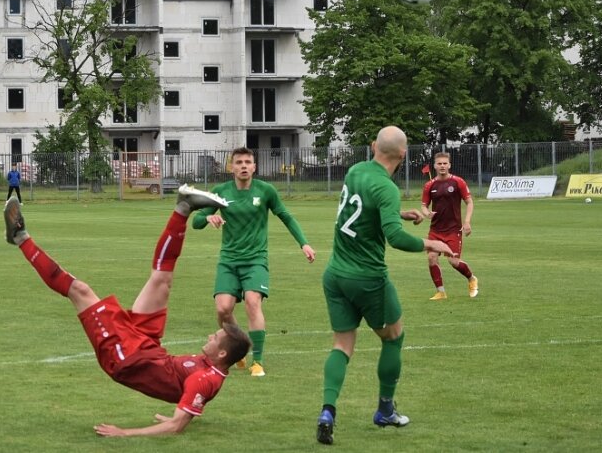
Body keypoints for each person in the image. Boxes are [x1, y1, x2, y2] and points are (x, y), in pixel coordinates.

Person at [3, 185, 251, 437]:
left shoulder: (206, 378)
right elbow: (196, 398)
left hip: (125, 358)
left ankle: (20, 238)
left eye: (216, 338)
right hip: (148, 348)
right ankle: (183, 207)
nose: (210, 336)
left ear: (222, 352)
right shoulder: (212, 370)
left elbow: (176, 426)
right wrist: (187, 407)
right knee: (161, 280)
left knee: (80, 290)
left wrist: (125, 433)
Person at [315, 126, 453, 446]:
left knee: (342, 345)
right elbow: (396, 238)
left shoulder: (355, 171)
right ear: (403, 154)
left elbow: (362, 210)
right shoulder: (386, 188)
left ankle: (327, 412)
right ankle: (385, 410)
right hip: (367, 278)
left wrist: (397, 213)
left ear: (373, 145)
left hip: (335, 274)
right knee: (393, 337)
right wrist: (431, 243)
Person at [192, 147, 316, 378]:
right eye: (238, 162)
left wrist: (304, 243)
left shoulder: (266, 191)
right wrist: (208, 216)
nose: (243, 166)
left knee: (252, 302)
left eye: (248, 162)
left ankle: (257, 361)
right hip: (228, 260)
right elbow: (195, 221)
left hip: (255, 260)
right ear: (232, 167)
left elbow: (286, 216)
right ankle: (238, 352)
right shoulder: (220, 191)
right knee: (223, 309)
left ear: (254, 166)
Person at [420, 152, 479, 300]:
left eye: (445, 163)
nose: (442, 166)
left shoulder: (458, 182)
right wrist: (427, 213)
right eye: (439, 163)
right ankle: (441, 292)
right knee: (432, 258)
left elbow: (469, 202)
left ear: (449, 165)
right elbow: (424, 205)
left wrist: (467, 221)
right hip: (435, 230)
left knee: (453, 261)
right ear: (434, 166)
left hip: (453, 230)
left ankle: (472, 278)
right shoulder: (429, 185)